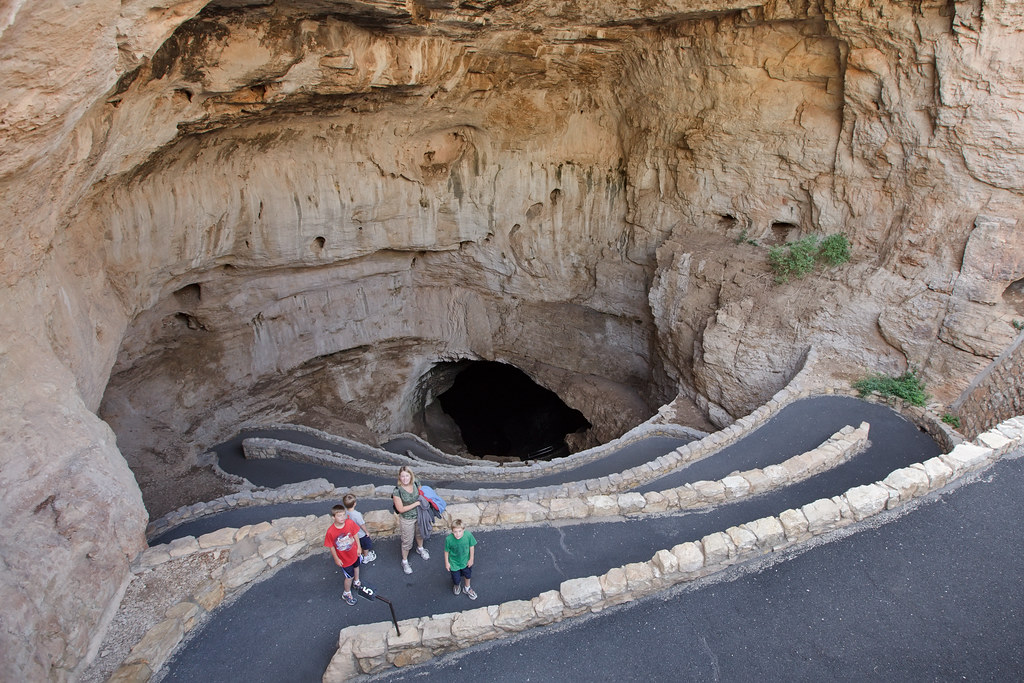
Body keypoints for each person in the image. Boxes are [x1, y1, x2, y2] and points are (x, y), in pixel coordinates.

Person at [392, 466, 429, 574]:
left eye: (407, 475)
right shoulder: (397, 491)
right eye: (402, 476)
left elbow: (422, 493)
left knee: (419, 533)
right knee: (407, 541)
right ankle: (404, 561)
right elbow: (401, 509)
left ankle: (420, 548)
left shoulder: (416, 482)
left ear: (411, 475)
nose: (405, 478)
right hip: (407, 518)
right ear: (399, 477)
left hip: (419, 515)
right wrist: (416, 503)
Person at [324, 504, 361, 606]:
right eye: (339, 515)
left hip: (354, 553)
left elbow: (355, 534)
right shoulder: (330, 531)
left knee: (357, 566)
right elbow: (331, 546)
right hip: (344, 559)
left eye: (344, 515)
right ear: (333, 517)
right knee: (349, 577)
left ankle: (357, 582)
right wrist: (336, 558)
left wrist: (359, 547)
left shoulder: (349, 523)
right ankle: (347, 593)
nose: (343, 517)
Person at [444, 519, 477, 600]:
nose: (457, 534)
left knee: (467, 575)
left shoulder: (468, 535)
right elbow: (446, 551)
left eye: (459, 531)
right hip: (454, 563)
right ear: (452, 531)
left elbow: (471, 546)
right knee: (456, 578)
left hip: (465, 561)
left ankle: (467, 588)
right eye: (455, 531)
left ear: (463, 530)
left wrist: (471, 558)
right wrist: (447, 563)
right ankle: (457, 585)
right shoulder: (449, 539)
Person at [343, 493, 376, 563]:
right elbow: (362, 524)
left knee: (358, 545)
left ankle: (360, 554)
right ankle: (366, 557)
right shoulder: (357, 514)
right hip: (360, 534)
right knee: (365, 545)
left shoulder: (345, 512)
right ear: (354, 503)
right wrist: (366, 531)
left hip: (352, 534)